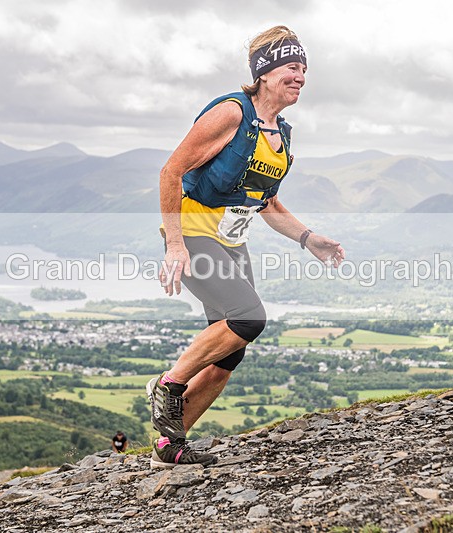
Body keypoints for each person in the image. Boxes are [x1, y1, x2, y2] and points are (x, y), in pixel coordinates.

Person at [147, 25, 345, 469]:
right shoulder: (231, 114)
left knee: (228, 354)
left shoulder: (281, 134)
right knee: (249, 318)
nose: (301, 77)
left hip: (232, 242)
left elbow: (267, 202)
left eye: (304, 69)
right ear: (266, 71)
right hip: (195, 230)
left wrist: (309, 239)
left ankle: (169, 444)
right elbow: (170, 172)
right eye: (293, 67)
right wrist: (175, 244)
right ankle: (169, 385)